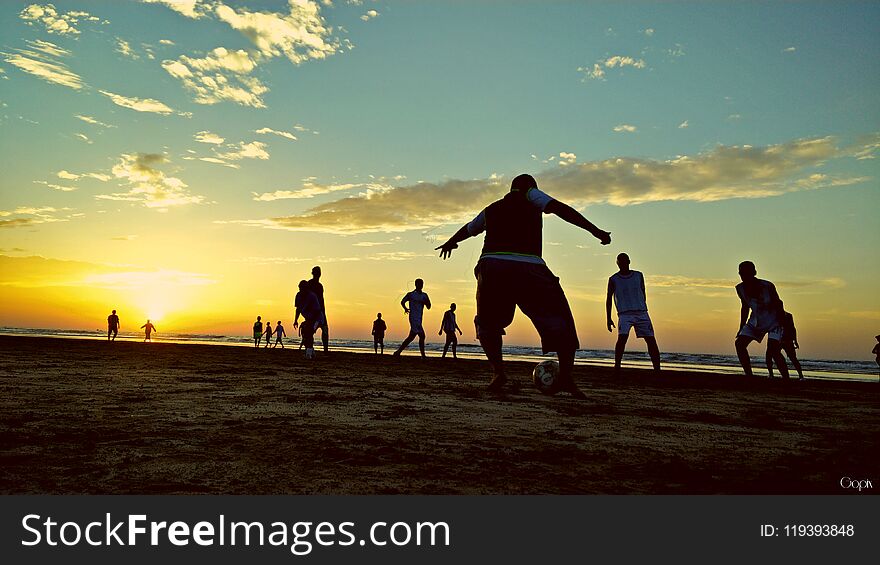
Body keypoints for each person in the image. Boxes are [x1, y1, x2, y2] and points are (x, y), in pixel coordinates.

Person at [435, 173, 611, 398]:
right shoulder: (531, 194)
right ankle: (566, 377)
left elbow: (469, 228)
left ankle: (498, 373)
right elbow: (560, 208)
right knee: (562, 322)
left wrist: (451, 241)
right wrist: (595, 230)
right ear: (530, 189)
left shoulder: (492, 208)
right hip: (529, 268)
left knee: (488, 323)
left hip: (492, 267)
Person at [605, 253, 661, 373]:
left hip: (641, 312)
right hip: (624, 313)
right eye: (620, 262)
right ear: (617, 263)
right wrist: (608, 318)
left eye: (624, 261)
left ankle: (657, 369)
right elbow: (609, 298)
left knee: (651, 340)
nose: (622, 264)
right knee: (622, 339)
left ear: (629, 262)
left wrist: (642, 305)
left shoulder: (638, 275)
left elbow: (643, 292)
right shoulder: (613, 279)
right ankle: (617, 367)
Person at [734, 261, 789, 379]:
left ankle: (786, 379)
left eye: (746, 273)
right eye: (741, 274)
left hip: (774, 321)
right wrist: (741, 327)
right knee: (739, 344)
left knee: (774, 351)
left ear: (754, 273)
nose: (744, 276)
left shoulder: (767, 286)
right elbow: (745, 307)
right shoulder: (740, 288)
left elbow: (779, 304)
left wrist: (784, 326)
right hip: (756, 321)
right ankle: (749, 376)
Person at [393, 278, 432, 358]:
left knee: (411, 337)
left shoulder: (424, 295)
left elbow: (429, 306)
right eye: (419, 284)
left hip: (419, 319)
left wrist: (425, 302)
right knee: (422, 336)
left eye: (422, 284)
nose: (420, 285)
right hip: (413, 318)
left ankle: (398, 352)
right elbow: (402, 301)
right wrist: (405, 308)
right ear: (415, 284)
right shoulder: (410, 294)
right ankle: (423, 355)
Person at [767, 303, 804, 380]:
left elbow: (793, 328)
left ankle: (801, 375)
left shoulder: (788, 316)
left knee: (793, 358)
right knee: (769, 355)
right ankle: (771, 374)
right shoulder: (772, 317)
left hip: (787, 340)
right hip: (776, 340)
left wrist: (795, 340)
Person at [294, 280, 323, 359]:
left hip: (317, 318)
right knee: (304, 333)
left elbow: (317, 311)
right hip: (308, 318)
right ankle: (311, 351)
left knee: (309, 332)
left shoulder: (312, 296)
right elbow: (298, 309)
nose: (301, 290)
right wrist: (295, 320)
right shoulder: (298, 296)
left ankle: (308, 353)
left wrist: (310, 322)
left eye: (303, 288)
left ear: (307, 288)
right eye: (300, 288)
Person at [306, 266, 329, 352]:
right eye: (316, 272)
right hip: (313, 312)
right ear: (313, 273)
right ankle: (310, 349)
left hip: (320, 311)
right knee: (311, 331)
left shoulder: (320, 286)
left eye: (318, 272)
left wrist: (323, 312)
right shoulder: (309, 284)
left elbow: (321, 300)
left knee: (325, 330)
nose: (317, 274)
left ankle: (325, 350)